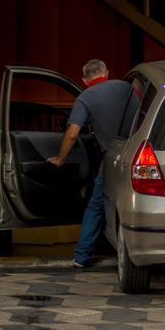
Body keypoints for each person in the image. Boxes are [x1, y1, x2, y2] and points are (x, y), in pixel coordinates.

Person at [47, 59, 133, 268]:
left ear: (85, 80)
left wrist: (60, 159)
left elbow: (73, 133)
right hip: (140, 153)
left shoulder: (85, 98)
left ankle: (82, 256)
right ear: (107, 72)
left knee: (97, 205)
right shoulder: (127, 88)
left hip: (113, 157)